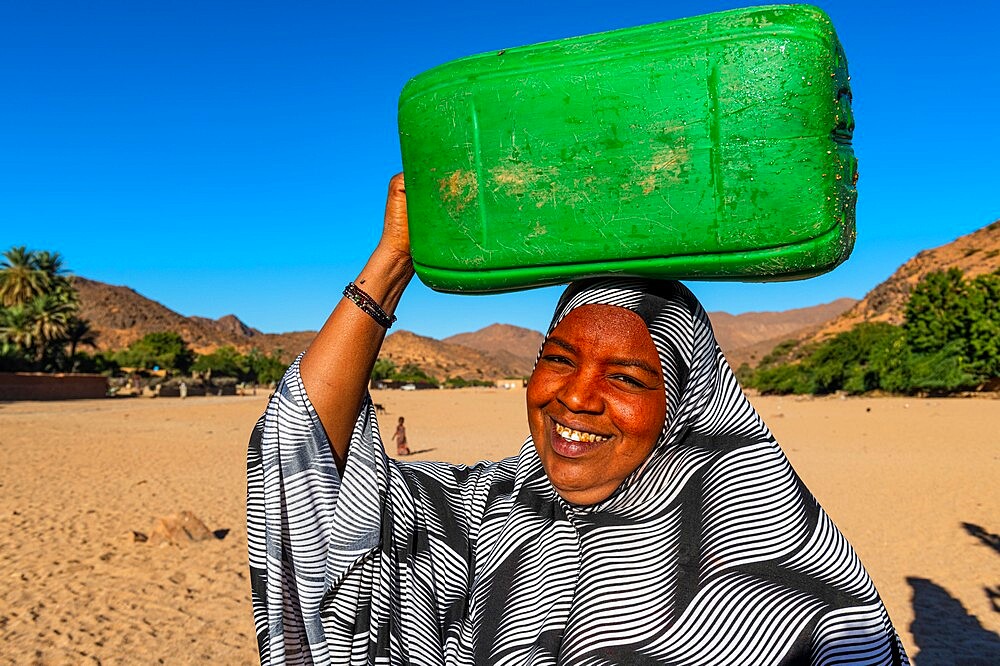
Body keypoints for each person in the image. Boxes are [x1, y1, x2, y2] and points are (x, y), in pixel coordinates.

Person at [247, 174, 909, 664]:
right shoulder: (489, 508)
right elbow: (302, 458)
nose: (576, 398)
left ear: (683, 403)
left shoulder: (781, 579)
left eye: (625, 377)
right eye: (558, 359)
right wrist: (390, 265)